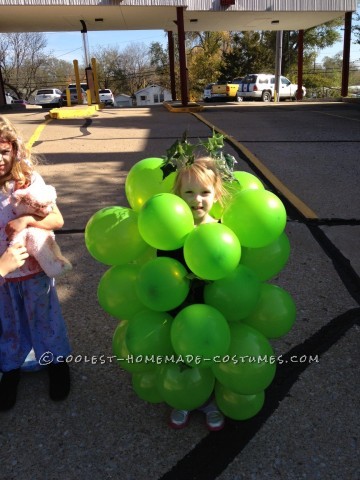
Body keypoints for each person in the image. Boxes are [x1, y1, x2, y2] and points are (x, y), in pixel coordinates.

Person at [0, 115, 71, 411]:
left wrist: (28, 219)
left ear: (14, 150)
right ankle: (11, 368)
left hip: (34, 271)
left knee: (46, 318)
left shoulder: (28, 182)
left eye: (3, 152)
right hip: (3, 276)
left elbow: (57, 219)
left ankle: (57, 362)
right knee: (10, 324)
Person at [159, 158, 227, 431]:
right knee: (181, 350)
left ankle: (211, 399)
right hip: (180, 305)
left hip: (214, 305)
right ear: (177, 195)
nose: (196, 199)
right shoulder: (171, 230)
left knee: (212, 349)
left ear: (216, 194)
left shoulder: (221, 230)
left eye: (205, 192)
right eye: (188, 192)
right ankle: (185, 397)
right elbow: (163, 267)